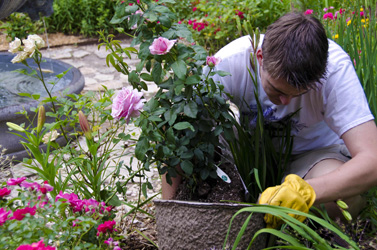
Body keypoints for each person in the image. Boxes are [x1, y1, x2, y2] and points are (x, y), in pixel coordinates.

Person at [204, 11, 377, 228]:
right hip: (249, 155)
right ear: (260, 57)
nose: (286, 102)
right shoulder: (230, 61)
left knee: (341, 203)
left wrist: (308, 192)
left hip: (313, 158)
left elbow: (372, 160)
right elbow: (183, 128)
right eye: (277, 90)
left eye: (299, 93)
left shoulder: (335, 68)